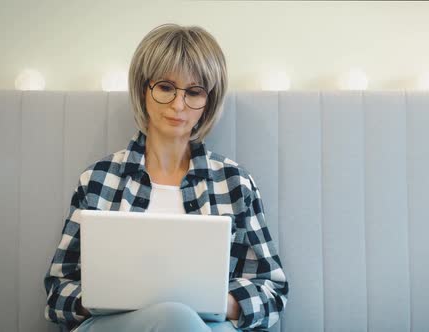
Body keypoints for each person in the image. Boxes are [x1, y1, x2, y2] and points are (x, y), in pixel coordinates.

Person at [43, 23, 288, 332]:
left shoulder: (235, 183)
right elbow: (57, 292)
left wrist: (214, 302)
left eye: (194, 92)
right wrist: (99, 297)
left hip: (210, 325)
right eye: (165, 87)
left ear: (208, 101)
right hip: (114, 326)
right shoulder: (99, 179)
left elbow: (272, 289)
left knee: (195, 322)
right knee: (173, 316)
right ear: (143, 90)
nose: (178, 105)